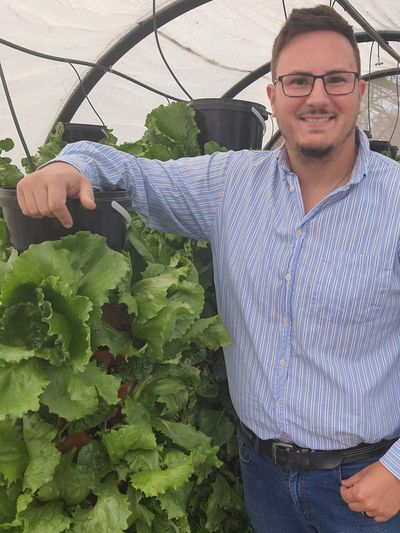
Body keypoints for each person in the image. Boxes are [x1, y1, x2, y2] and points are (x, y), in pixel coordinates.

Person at [15, 5, 400, 532]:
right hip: (261, 474)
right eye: (298, 81)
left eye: (336, 80)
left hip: (367, 482)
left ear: (359, 92)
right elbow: (137, 176)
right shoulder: (230, 185)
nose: (316, 97)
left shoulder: (396, 201)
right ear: (272, 96)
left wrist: (399, 469)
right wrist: (69, 163)